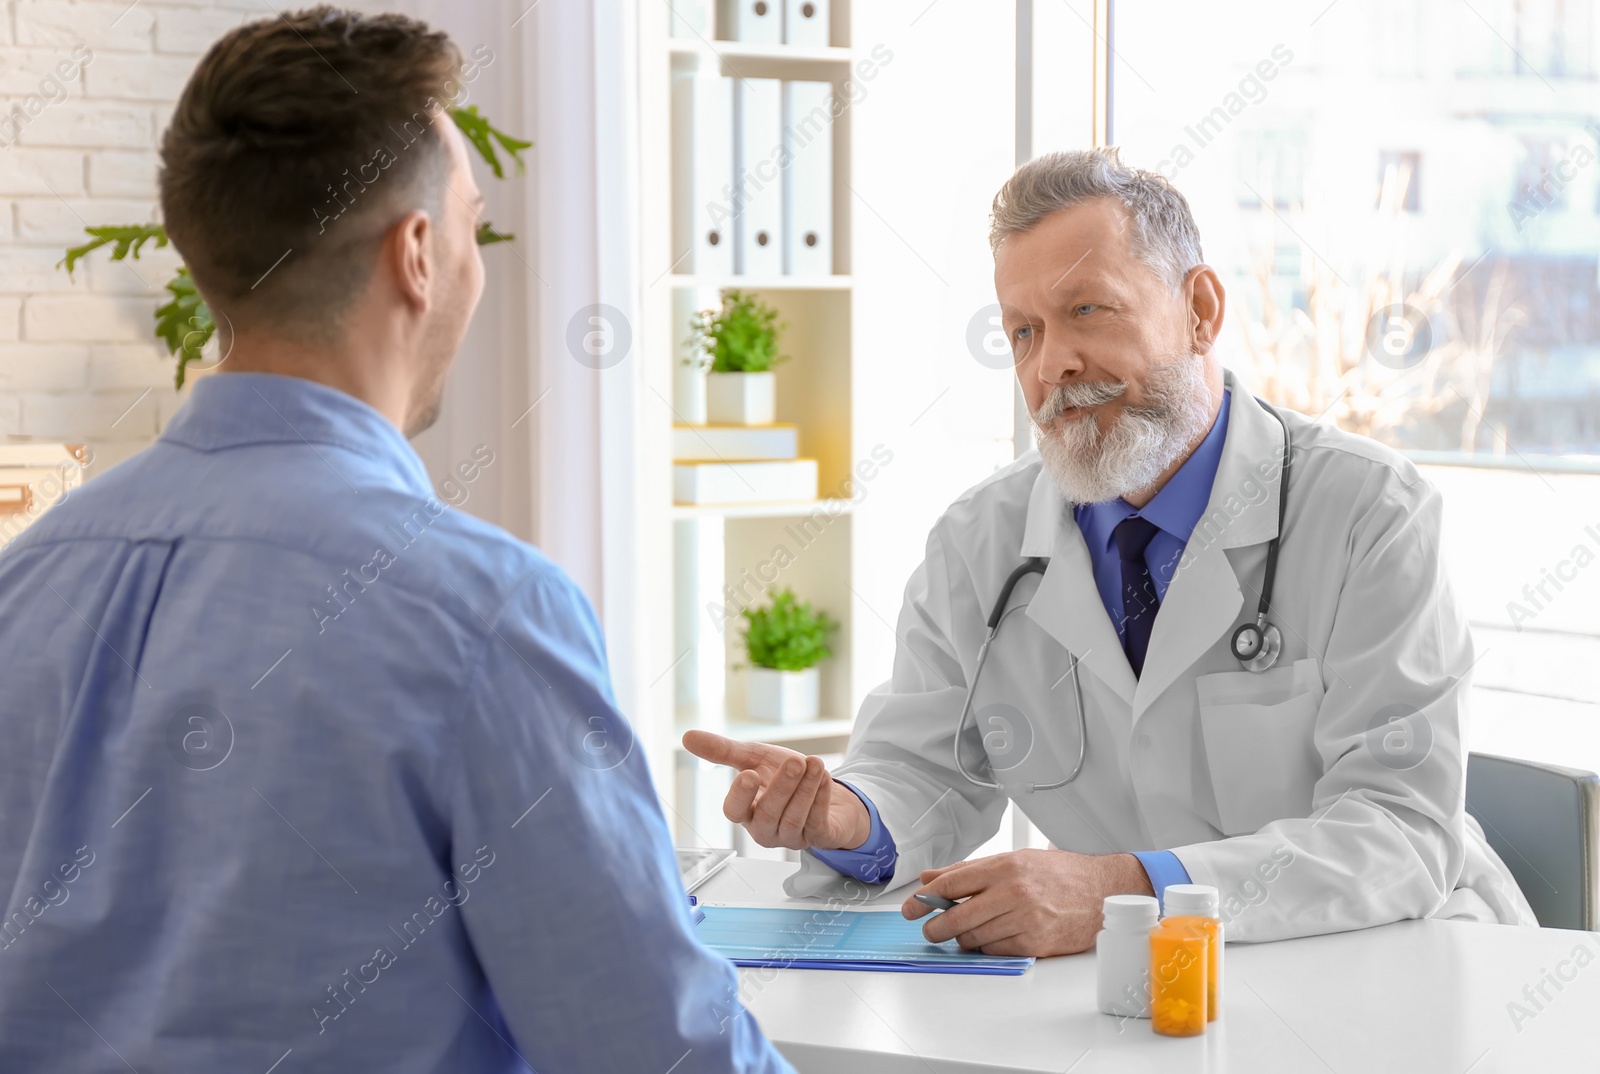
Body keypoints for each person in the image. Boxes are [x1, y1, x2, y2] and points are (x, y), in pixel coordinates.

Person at [0, 9, 790, 1072]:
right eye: (469, 221)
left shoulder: (27, 584)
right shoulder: (482, 609)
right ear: (417, 254)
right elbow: (654, 1052)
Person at [685, 147, 1537, 955]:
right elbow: (921, 772)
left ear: (1200, 311)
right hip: (1145, 981)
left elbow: (1398, 832)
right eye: (1022, 333)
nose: (1053, 363)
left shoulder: (1367, 511)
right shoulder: (980, 541)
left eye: (1086, 310)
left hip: (1392, 966)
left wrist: (1124, 894)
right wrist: (847, 819)